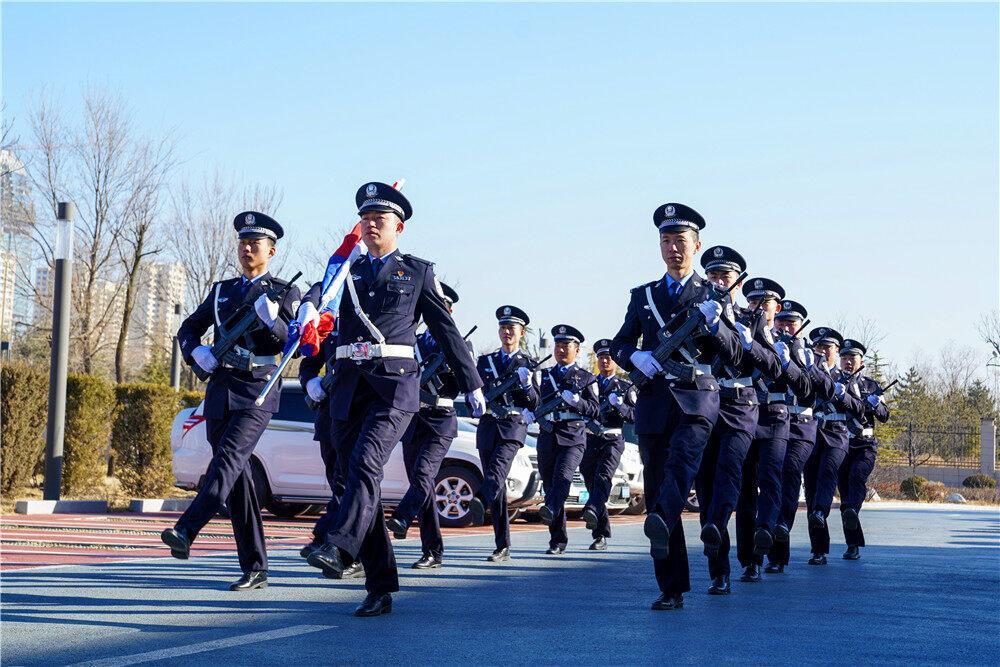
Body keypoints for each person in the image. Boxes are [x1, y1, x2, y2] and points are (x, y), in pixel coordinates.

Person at [305, 182, 484, 617]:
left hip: (394, 388)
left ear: (398, 227)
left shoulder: (417, 272)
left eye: (379, 218)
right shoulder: (344, 272)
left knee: (366, 465)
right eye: (365, 218)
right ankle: (381, 583)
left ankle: (339, 547)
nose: (369, 224)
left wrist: (472, 383)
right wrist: (306, 316)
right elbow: (316, 306)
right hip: (348, 388)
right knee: (352, 481)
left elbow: (445, 330)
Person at [611, 202, 741, 611]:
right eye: (666, 241)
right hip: (653, 404)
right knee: (657, 487)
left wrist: (716, 324)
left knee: (684, 470)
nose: (673, 248)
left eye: (680, 241)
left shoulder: (712, 296)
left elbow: (736, 354)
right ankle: (671, 587)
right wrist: (634, 358)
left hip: (697, 401)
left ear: (697, 245)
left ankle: (706, 558)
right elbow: (619, 343)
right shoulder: (643, 296)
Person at [162, 211, 301, 591]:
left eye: (255, 243)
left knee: (226, 463)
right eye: (243, 242)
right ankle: (255, 566)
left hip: (257, 389)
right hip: (221, 390)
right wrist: (196, 353)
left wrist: (273, 321)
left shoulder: (285, 292)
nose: (247, 248)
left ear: (271, 251)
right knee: (238, 481)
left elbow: (294, 346)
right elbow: (188, 327)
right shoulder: (222, 290)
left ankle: (187, 529)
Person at [695, 246, 767, 595]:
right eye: (713, 276)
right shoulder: (696, 314)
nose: (719, 282)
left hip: (740, 405)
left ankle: (724, 531)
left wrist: (752, 345)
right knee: (706, 482)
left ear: (736, 282)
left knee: (730, 470)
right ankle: (718, 571)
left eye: (725, 276)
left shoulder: (752, 319)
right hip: (705, 402)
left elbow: (773, 365)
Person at [385, 282, 466, 570]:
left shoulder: (458, 343)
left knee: (423, 473)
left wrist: (444, 369)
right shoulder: (411, 340)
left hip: (440, 420)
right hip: (412, 419)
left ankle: (402, 517)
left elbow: (461, 383)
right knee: (423, 486)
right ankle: (432, 550)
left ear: (449, 310)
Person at [469, 305, 540, 563]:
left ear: (522, 333)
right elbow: (475, 394)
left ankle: (478, 499)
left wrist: (526, 385)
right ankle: (502, 545)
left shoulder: (529, 365)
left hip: (512, 426)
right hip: (488, 425)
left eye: (512, 328)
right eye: (503, 327)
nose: (507, 332)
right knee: (496, 485)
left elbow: (535, 403)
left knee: (497, 471)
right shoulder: (485, 362)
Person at [297, 329, 366, 580]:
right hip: (329, 418)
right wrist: (310, 382)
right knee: (337, 485)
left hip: (357, 416)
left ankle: (349, 553)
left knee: (350, 484)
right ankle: (332, 543)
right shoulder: (331, 331)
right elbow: (309, 364)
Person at [528, 325, 600, 554]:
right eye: (558, 345)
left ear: (577, 350)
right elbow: (534, 401)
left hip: (573, 436)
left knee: (562, 477)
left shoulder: (587, 378)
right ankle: (557, 540)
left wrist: (577, 402)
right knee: (550, 484)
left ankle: (549, 508)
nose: (560, 349)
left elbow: (596, 410)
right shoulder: (544, 375)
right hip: (548, 434)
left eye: (566, 345)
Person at [802, 327, 865, 565]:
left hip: (838, 434)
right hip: (813, 431)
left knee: (828, 473)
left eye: (827, 347)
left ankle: (821, 511)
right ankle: (818, 549)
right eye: (818, 347)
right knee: (810, 487)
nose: (821, 351)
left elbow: (860, 409)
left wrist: (843, 396)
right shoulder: (809, 371)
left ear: (835, 351)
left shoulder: (846, 378)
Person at [765, 300, 817, 573]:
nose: (785, 327)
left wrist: (796, 357)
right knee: (772, 479)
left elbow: (819, 388)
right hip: (774, 420)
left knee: (789, 472)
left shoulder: (809, 354)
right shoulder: (767, 343)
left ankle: (781, 531)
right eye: (781, 322)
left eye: (791, 323)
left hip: (801, 427)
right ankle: (774, 542)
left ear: (801, 326)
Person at [579, 339, 636, 551]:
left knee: (603, 476)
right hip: (590, 439)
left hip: (612, 439)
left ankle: (592, 508)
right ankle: (600, 532)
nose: (605, 361)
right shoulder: (588, 383)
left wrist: (620, 406)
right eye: (601, 357)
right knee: (592, 483)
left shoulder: (624, 386)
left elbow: (634, 416)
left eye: (608, 357)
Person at [838, 338, 890, 560]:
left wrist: (876, 403)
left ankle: (852, 509)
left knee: (857, 479)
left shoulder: (871, 385)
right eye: (845, 357)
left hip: (865, 445)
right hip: (841, 443)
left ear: (861, 360)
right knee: (845, 492)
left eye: (853, 357)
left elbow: (885, 416)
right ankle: (853, 545)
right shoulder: (834, 382)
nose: (848, 362)